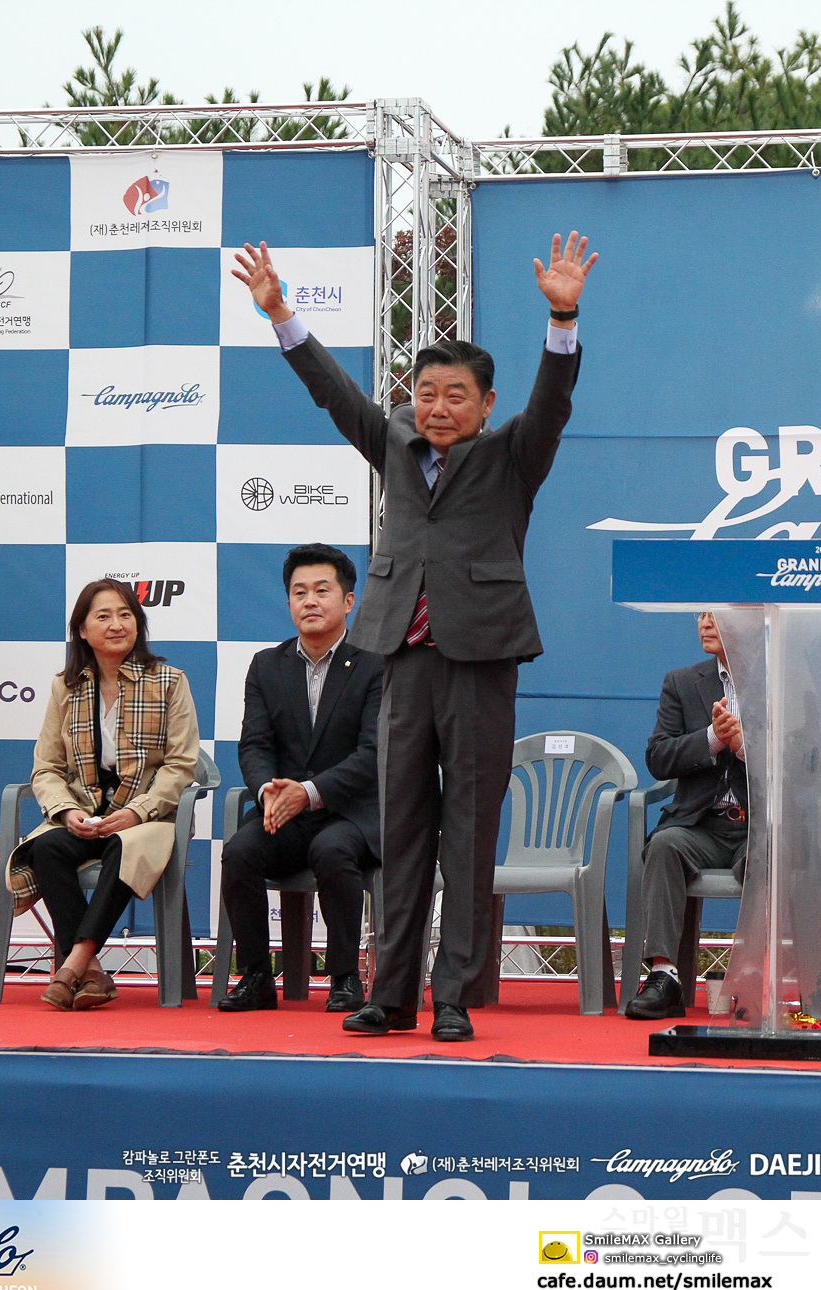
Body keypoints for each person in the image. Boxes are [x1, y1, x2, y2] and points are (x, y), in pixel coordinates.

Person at [232, 232, 595, 1042]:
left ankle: (454, 994)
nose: (437, 407)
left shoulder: (513, 455)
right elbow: (334, 394)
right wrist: (281, 313)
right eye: (426, 393)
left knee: (466, 835)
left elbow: (554, 404)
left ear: (485, 405)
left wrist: (563, 320)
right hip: (399, 659)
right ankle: (391, 995)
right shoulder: (393, 444)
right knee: (400, 835)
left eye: (455, 395)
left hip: (479, 661)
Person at [10, 579, 200, 1011]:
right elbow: (46, 767)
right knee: (47, 848)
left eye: (125, 615)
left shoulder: (169, 682)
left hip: (149, 818)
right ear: (82, 629)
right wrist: (65, 812)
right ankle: (93, 971)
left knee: (123, 846)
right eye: (104, 616)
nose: (117, 625)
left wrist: (138, 812)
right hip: (85, 813)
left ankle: (74, 962)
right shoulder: (66, 687)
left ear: (138, 623)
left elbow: (181, 765)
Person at [216, 544, 384, 1013]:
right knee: (239, 853)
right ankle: (255, 976)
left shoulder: (375, 666)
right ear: (289, 602)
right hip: (284, 813)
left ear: (348, 601)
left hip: (351, 812)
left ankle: (345, 977)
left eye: (321, 591)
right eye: (299, 592)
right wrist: (267, 791)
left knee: (332, 850)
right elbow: (254, 745)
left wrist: (308, 793)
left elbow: (374, 753)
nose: (309, 601)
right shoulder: (266, 665)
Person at [625, 612, 749, 1020]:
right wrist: (713, 739)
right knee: (664, 845)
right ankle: (664, 976)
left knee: (771, 859)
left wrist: (744, 746)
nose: (705, 623)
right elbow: (659, 757)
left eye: (716, 614)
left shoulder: (781, 681)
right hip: (700, 825)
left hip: (758, 827)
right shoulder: (681, 682)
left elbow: (805, 761)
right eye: (701, 614)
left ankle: (755, 978)